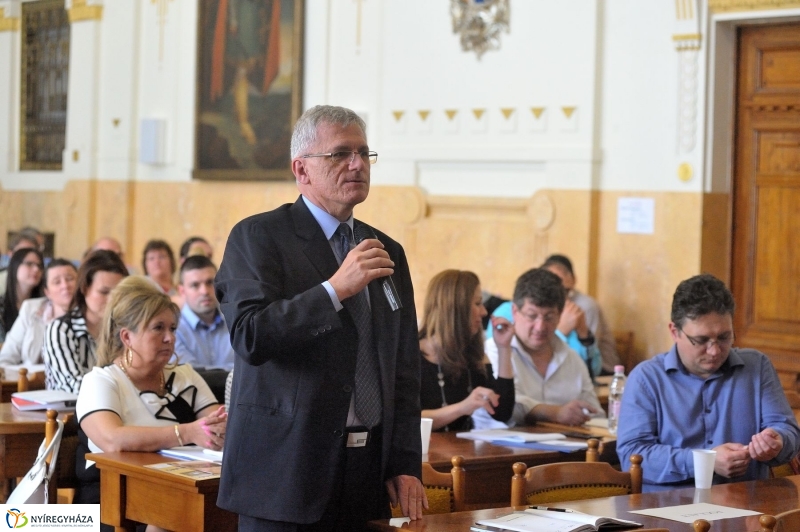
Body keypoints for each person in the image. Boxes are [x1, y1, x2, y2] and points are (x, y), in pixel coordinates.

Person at [215, 105, 426, 531]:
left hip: (365, 472)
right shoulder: (258, 237)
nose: (357, 165)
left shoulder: (385, 250)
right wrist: (334, 290)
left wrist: (405, 463)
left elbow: (403, 367)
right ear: (302, 169)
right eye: (340, 154)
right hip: (283, 473)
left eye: (365, 154)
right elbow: (251, 336)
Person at [617, 274, 800, 489]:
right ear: (675, 332)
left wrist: (777, 442)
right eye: (701, 340)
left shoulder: (756, 367)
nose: (714, 351)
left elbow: (788, 432)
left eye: (724, 337)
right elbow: (631, 456)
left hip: (746, 509)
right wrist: (705, 461)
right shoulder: (646, 379)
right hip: (667, 509)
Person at [75, 276, 226, 512]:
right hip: (113, 501)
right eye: (158, 328)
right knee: (174, 511)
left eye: (173, 328)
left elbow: (216, 425)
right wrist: (187, 432)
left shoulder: (185, 375)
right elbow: (113, 439)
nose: (170, 338)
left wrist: (218, 430)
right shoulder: (101, 381)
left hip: (181, 489)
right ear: (127, 337)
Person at [485, 268, 603, 427]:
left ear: (560, 316)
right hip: (502, 448)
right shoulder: (495, 350)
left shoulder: (571, 358)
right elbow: (511, 408)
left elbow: (595, 413)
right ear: (515, 311)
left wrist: (583, 414)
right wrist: (557, 413)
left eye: (549, 317)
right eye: (532, 316)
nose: (540, 327)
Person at [418, 269, 515, 432]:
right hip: (423, 454)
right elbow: (409, 420)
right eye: (477, 303)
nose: (484, 312)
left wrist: (504, 348)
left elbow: (501, 412)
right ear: (455, 308)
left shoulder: (472, 353)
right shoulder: (411, 356)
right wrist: (463, 407)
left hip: (462, 454)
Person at [43, 250, 128, 393]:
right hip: (70, 413)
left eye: (119, 293)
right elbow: (73, 385)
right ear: (84, 289)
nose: (113, 300)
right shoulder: (60, 330)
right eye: (104, 292)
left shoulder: (126, 328)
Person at [541, 255, 620, 374]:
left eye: (566, 290)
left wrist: (566, 332)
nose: (562, 296)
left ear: (573, 281)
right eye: (555, 289)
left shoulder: (584, 306)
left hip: (600, 370)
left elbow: (587, 358)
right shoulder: (535, 307)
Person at [0, 259, 77, 369]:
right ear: (47, 292)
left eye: (70, 279)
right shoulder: (31, 309)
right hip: (29, 382)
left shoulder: (90, 314)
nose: (64, 286)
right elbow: (6, 358)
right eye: (57, 282)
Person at [174, 255, 234, 371]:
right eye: (195, 285)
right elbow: (189, 374)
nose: (205, 291)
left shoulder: (235, 321)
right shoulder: (174, 329)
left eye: (210, 282)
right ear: (182, 291)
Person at [0, 248, 45, 342]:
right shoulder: (1, 305)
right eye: (29, 264)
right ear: (15, 266)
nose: (36, 269)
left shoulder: (45, 306)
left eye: (39, 266)